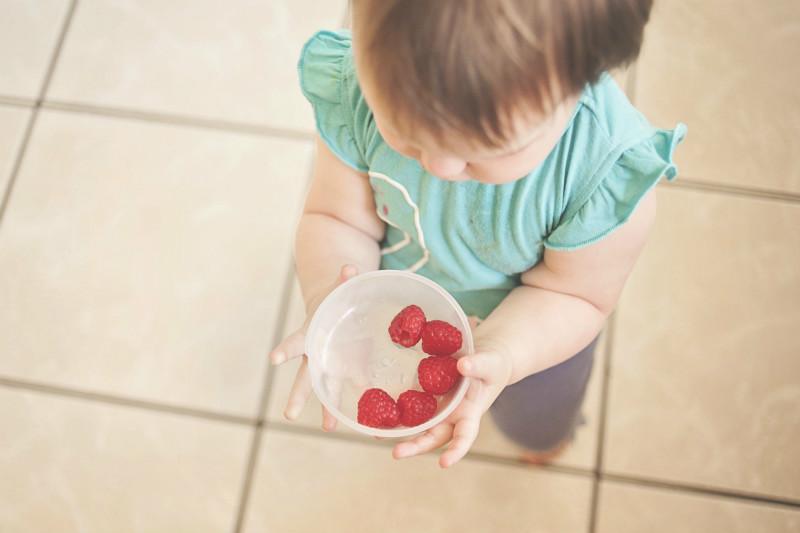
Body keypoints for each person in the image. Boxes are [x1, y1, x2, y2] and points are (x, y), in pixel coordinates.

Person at [269, 0, 686, 468]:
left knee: (537, 415)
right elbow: (339, 218)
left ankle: (542, 439)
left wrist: (505, 353)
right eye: (406, 132)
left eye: (484, 151)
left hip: (536, 333)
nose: (440, 166)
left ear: (584, 79)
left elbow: (577, 296)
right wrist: (331, 298)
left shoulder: (602, 174)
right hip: (406, 301)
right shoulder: (360, 90)